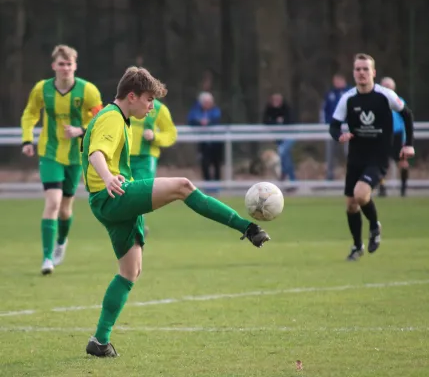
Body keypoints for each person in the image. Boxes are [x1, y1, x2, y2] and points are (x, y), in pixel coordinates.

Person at [82, 67, 270, 357]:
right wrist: (107, 177)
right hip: (113, 195)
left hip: (107, 199)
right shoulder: (111, 118)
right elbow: (96, 153)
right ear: (131, 96)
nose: (152, 106)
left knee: (130, 271)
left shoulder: (120, 117)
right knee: (183, 186)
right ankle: (246, 227)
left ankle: (100, 342)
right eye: (148, 99)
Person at [21, 44, 103, 274]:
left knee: (66, 209)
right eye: (61, 64)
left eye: (69, 64)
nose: (65, 68)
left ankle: (61, 242)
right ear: (53, 66)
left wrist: (81, 130)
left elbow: (101, 118)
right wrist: (27, 140)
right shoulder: (42, 89)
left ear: (75, 66)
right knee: (53, 203)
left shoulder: (88, 91)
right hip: (50, 153)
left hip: (75, 157)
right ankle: (47, 258)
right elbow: (30, 113)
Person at [329, 53, 414, 261]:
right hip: (356, 158)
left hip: (379, 157)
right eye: (357, 69)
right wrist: (340, 135)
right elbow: (333, 125)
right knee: (351, 205)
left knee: (360, 193)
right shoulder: (348, 98)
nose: (361, 73)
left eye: (365, 69)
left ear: (373, 72)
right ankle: (357, 246)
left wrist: (409, 144)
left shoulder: (385, 95)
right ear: (354, 73)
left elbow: (407, 114)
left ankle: (375, 225)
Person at [129, 99, 177, 235]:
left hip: (145, 158)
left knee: (138, 193)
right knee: (123, 194)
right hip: (122, 157)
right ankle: (135, 226)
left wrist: (155, 136)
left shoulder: (159, 109)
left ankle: (137, 228)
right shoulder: (127, 104)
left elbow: (170, 134)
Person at [377, 77, 409, 197]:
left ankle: (403, 189)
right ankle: (382, 187)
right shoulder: (377, 102)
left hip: (397, 135)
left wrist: (405, 140)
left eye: (389, 86)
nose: (387, 88)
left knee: (402, 162)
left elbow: (405, 121)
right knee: (381, 163)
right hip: (383, 135)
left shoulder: (399, 101)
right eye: (385, 86)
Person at [187, 92, 222, 182]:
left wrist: (208, 122)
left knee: (217, 163)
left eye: (209, 102)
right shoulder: (196, 110)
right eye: (205, 102)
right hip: (204, 143)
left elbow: (216, 117)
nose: (208, 104)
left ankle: (217, 184)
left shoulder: (215, 110)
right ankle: (207, 184)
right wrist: (199, 122)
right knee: (205, 163)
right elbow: (191, 119)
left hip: (216, 142)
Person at [321, 74, 351, 180]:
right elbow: (325, 110)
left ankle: (352, 174)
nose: (336, 83)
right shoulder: (330, 94)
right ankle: (329, 176)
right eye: (335, 81)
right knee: (330, 153)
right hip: (333, 127)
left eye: (338, 81)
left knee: (350, 152)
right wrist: (325, 124)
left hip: (348, 127)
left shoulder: (350, 93)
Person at [263, 93, 297, 184]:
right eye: (275, 100)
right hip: (278, 137)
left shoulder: (287, 108)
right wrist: (276, 122)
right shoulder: (269, 110)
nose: (276, 102)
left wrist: (280, 122)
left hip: (289, 135)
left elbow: (290, 121)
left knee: (282, 152)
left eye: (278, 100)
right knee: (286, 158)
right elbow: (266, 122)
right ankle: (291, 180)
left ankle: (285, 175)